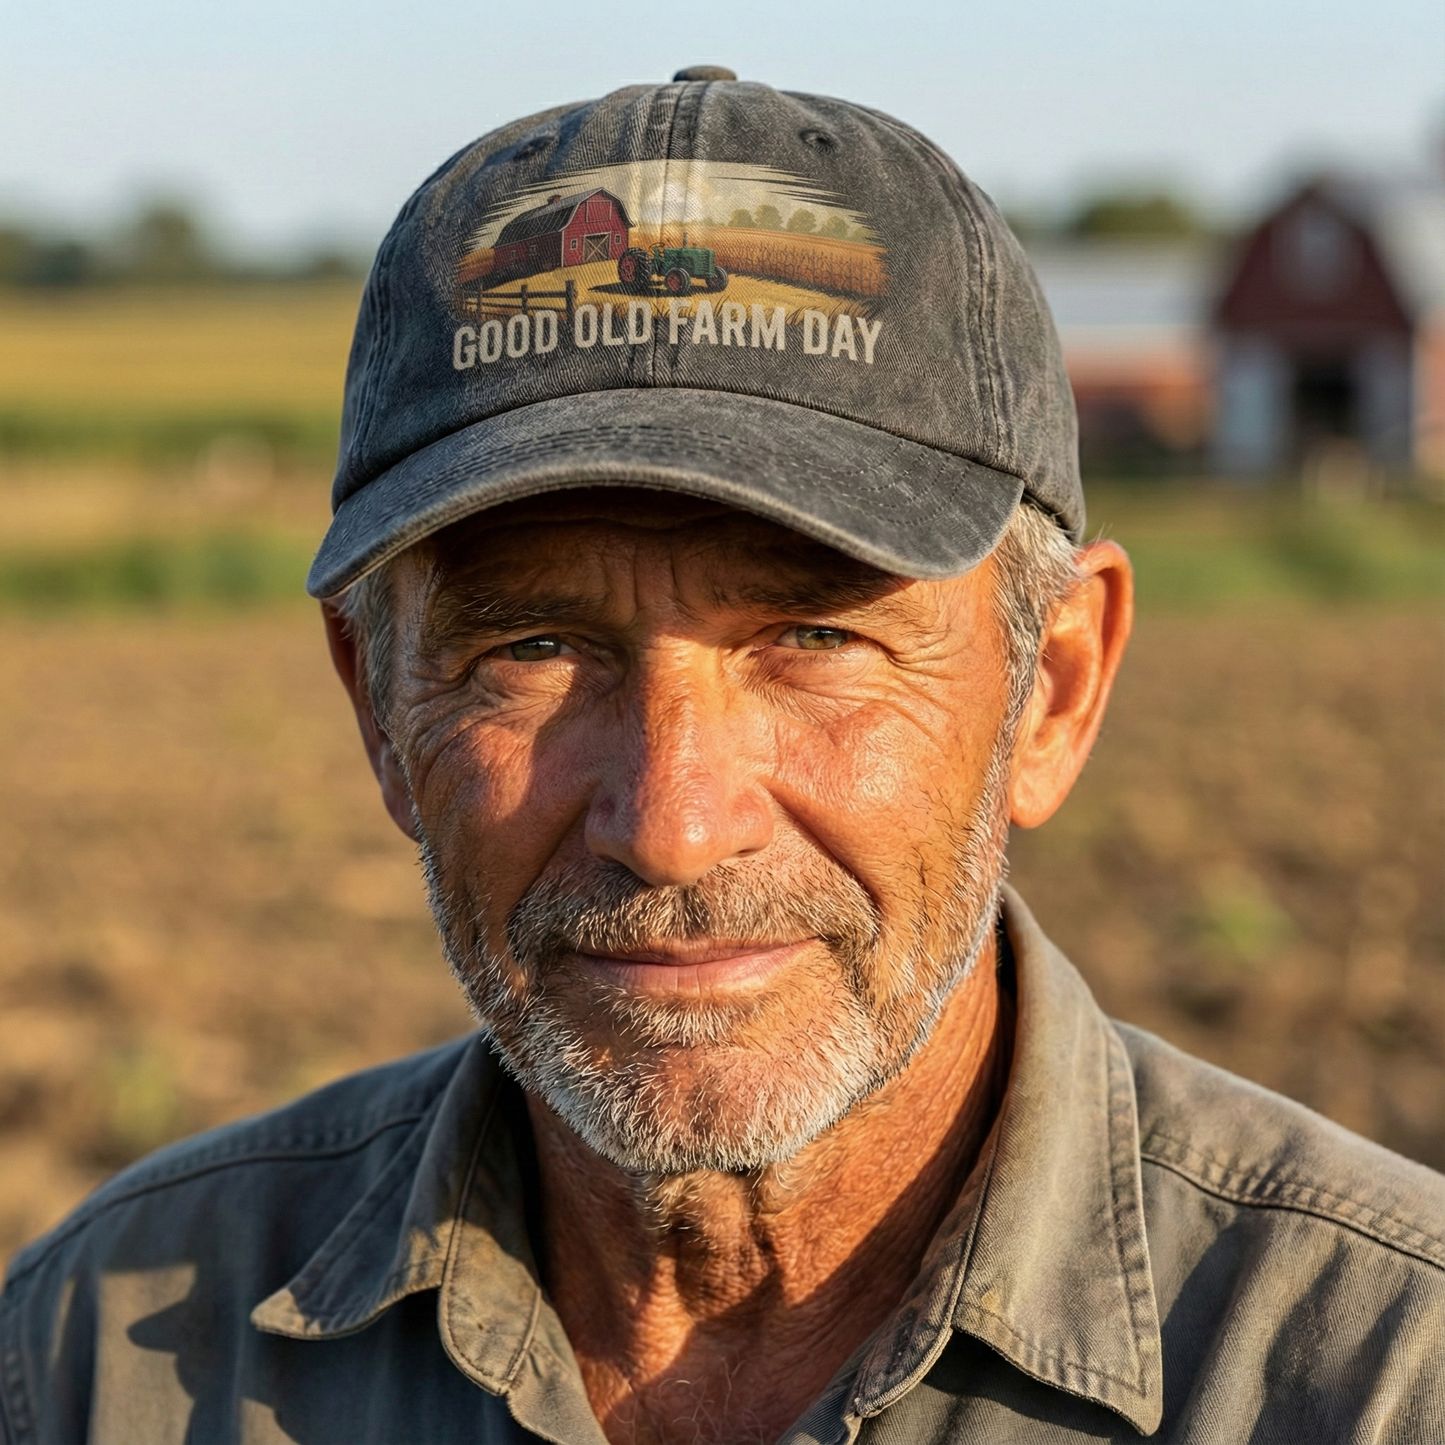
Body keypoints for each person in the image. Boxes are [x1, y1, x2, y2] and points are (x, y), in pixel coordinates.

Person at [3, 68, 1442, 1445]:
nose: (671, 822)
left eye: (814, 639)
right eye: (533, 652)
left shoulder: (1385, 1378)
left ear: (1052, 691)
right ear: (377, 707)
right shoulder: (92, 1363)